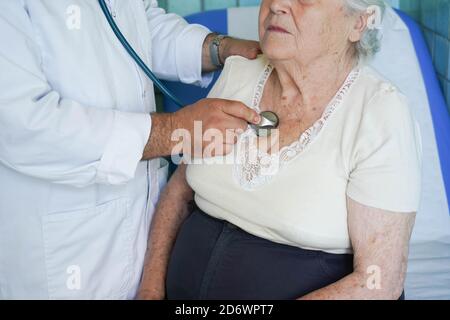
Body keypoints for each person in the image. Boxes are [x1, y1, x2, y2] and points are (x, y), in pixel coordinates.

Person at [138, 0, 423, 300]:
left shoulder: (380, 112)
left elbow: (379, 282)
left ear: (358, 23)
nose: (277, 5)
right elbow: (179, 192)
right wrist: (150, 290)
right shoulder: (239, 71)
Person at [0, 0, 261, 299]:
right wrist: (175, 130)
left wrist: (218, 48)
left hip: (137, 229)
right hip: (60, 248)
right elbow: (23, 126)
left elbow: (135, 25)